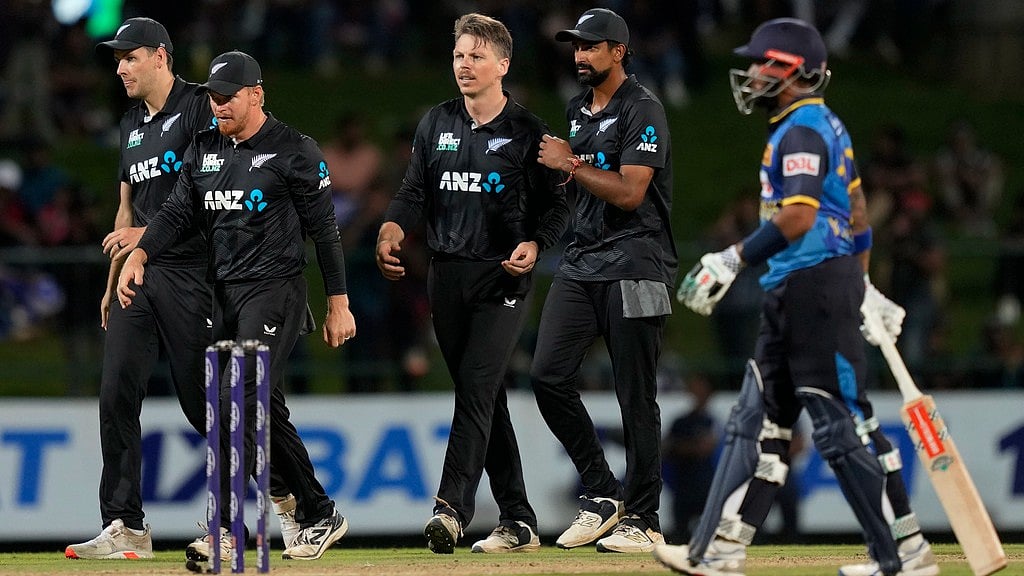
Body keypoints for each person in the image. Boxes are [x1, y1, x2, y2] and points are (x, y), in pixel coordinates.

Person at [656, 18, 938, 576]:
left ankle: (903, 557)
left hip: (813, 290)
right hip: (804, 288)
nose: (754, 73)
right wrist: (864, 284)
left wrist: (734, 257)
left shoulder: (803, 128)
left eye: (763, 63)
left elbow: (801, 215)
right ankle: (717, 549)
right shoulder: (819, 125)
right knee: (756, 424)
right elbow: (857, 216)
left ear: (789, 71)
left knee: (838, 427)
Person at [116, 50, 354, 568]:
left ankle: (224, 531)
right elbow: (178, 212)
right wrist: (140, 252)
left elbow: (326, 233)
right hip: (221, 293)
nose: (218, 106)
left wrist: (339, 302)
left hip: (276, 292)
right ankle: (319, 512)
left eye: (227, 96)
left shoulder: (295, 150)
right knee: (265, 414)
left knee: (233, 401)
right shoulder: (204, 148)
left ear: (256, 94)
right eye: (213, 97)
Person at [376, 13, 569, 554]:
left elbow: (558, 206)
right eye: (459, 55)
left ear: (502, 65)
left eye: (476, 56)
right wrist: (392, 226)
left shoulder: (526, 131)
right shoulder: (434, 123)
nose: (464, 64)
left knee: (479, 386)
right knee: (481, 395)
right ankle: (518, 518)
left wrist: (536, 244)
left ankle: (450, 509)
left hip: (502, 276)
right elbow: (414, 190)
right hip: (446, 276)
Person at [531, 7, 676, 554]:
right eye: (576, 47)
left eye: (592, 47)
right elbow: (579, 189)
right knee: (547, 374)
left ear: (619, 51)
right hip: (581, 262)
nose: (580, 56)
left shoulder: (644, 109)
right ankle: (602, 490)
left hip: (637, 264)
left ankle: (645, 517)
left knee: (634, 393)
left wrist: (569, 165)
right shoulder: (577, 111)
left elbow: (632, 193)